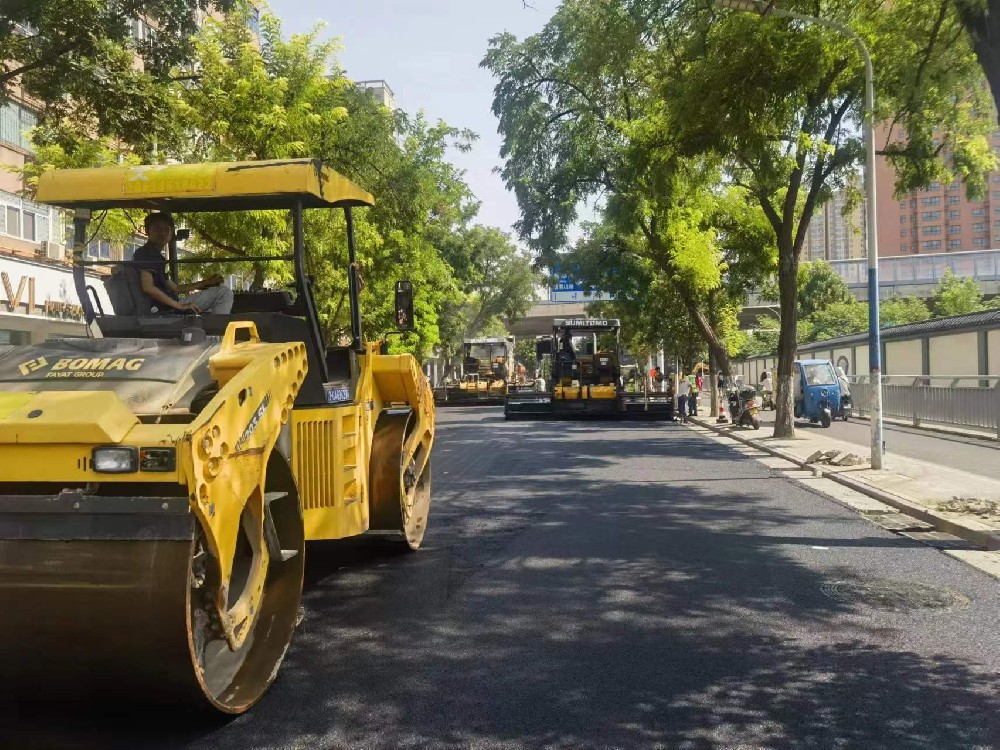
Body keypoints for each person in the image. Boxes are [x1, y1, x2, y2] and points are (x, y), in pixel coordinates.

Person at [133, 213, 233, 315]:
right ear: (147, 231)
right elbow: (148, 287)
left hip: (168, 305)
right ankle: (220, 329)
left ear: (171, 232)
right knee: (224, 293)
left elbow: (176, 288)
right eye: (157, 229)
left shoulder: (156, 256)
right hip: (162, 309)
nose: (163, 233)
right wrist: (180, 306)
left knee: (214, 302)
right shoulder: (147, 254)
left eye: (166, 229)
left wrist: (206, 282)